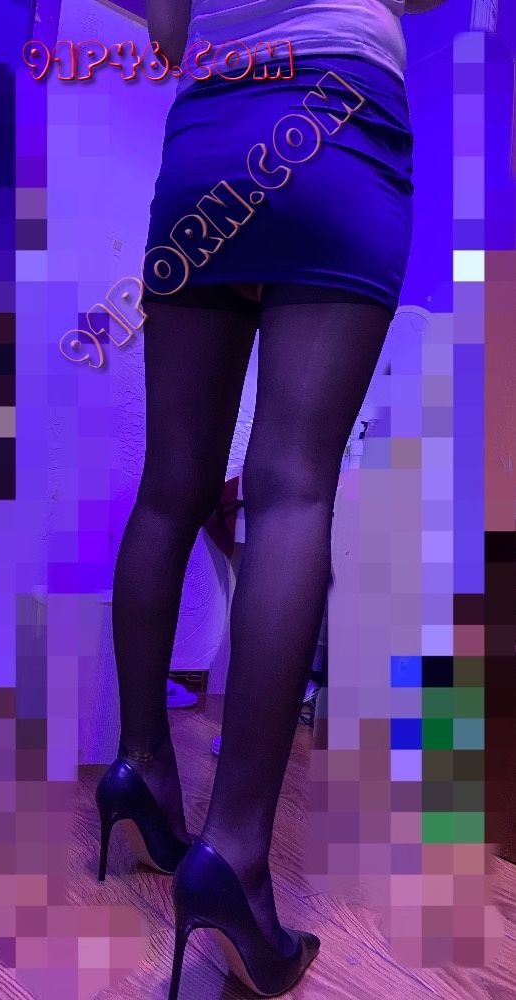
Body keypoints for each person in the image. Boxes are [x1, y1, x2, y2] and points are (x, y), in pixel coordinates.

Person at [95, 2, 445, 997]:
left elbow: (169, 31)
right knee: (290, 490)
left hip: (209, 136)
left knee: (170, 489)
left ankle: (138, 769)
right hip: (337, 124)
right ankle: (235, 853)